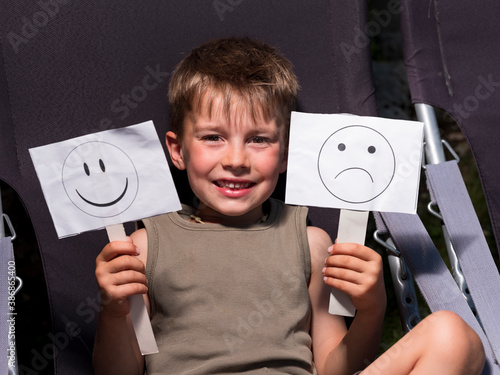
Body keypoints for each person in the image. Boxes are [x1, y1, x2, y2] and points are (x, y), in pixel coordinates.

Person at [93, 37, 485, 375]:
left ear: (286, 155)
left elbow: (334, 366)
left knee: (453, 336)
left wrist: (371, 309)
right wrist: (114, 312)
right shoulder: (142, 248)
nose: (236, 159)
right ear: (177, 151)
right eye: (213, 137)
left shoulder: (312, 243)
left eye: (259, 139)